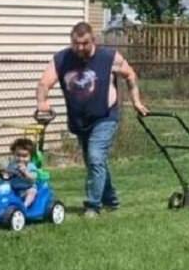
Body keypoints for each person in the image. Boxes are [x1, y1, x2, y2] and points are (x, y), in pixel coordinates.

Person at [36, 21, 148, 218]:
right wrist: (42, 102)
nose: (80, 48)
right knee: (95, 163)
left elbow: (130, 75)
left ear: (93, 40)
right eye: (76, 43)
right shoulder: (62, 59)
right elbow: (44, 83)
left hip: (105, 116)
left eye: (85, 43)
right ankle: (111, 199)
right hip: (79, 120)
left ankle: (92, 206)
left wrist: (136, 101)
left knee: (96, 158)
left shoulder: (108, 57)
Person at [1, 137, 38, 208]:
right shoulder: (12, 164)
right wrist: (5, 175)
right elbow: (8, 174)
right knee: (0, 188)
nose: (21, 159)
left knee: (32, 192)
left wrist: (26, 172)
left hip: (26, 188)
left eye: (24, 156)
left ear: (30, 156)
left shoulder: (31, 166)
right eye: (18, 155)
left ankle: (25, 205)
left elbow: (33, 178)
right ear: (14, 154)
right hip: (13, 188)